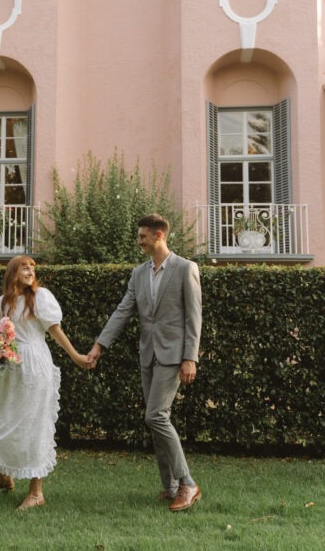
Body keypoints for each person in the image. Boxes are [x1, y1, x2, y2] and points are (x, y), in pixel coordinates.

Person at [86, 213, 203, 512]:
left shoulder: (185, 268)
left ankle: (188, 483)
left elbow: (194, 317)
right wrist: (99, 345)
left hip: (174, 355)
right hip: (147, 354)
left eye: (143, 236)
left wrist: (190, 357)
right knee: (156, 420)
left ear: (158, 235)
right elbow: (123, 310)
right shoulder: (139, 273)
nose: (139, 241)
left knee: (156, 416)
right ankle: (170, 487)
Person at [0, 255, 90, 511]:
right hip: (9, 368)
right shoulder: (1, 303)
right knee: (1, 418)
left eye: (33, 268)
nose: (30, 271)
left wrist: (76, 356)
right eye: (24, 267)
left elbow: (55, 331)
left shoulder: (40, 297)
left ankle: (36, 492)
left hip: (35, 365)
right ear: (12, 272)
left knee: (33, 424)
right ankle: (3, 477)